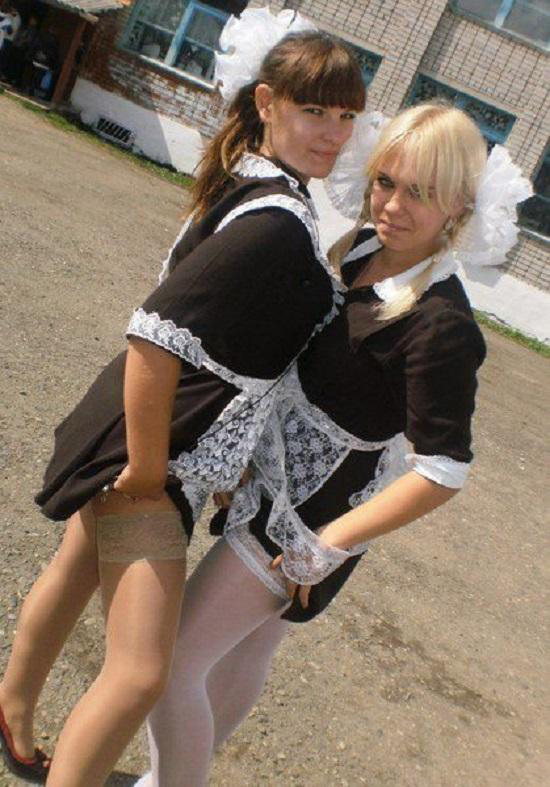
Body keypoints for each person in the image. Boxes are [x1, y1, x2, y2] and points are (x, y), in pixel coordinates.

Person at [0, 10, 366, 785]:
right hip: (155, 456)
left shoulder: (253, 182)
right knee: (140, 672)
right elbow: (152, 336)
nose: (332, 134)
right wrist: (144, 473)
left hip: (149, 441)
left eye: (345, 117)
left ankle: (12, 715)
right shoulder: (274, 221)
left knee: (75, 570)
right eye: (314, 111)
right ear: (267, 102)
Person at [136, 102, 532, 786]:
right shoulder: (360, 248)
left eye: (421, 193)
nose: (394, 206)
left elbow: (442, 470)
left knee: (170, 665)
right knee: (243, 652)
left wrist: (328, 543)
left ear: (459, 207)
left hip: (312, 520)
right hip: (272, 481)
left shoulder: (443, 325)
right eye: (386, 181)